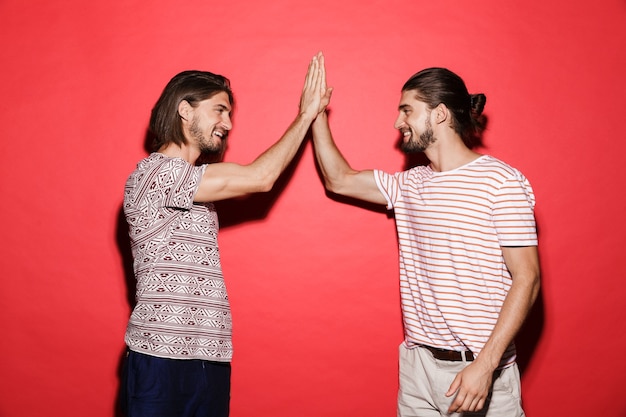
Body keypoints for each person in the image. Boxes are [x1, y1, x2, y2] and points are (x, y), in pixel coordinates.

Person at [311, 66, 540, 416]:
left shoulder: (501, 183)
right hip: (418, 367)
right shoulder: (409, 185)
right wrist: (315, 114)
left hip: (479, 371)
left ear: (440, 113)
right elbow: (338, 179)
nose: (397, 122)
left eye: (407, 110)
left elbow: (528, 278)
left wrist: (485, 366)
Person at [120, 52, 329, 417]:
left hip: (210, 356)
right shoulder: (157, 173)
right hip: (160, 355)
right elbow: (259, 178)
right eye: (219, 110)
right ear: (185, 110)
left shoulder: (195, 184)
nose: (228, 123)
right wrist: (305, 115)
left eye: (229, 113)